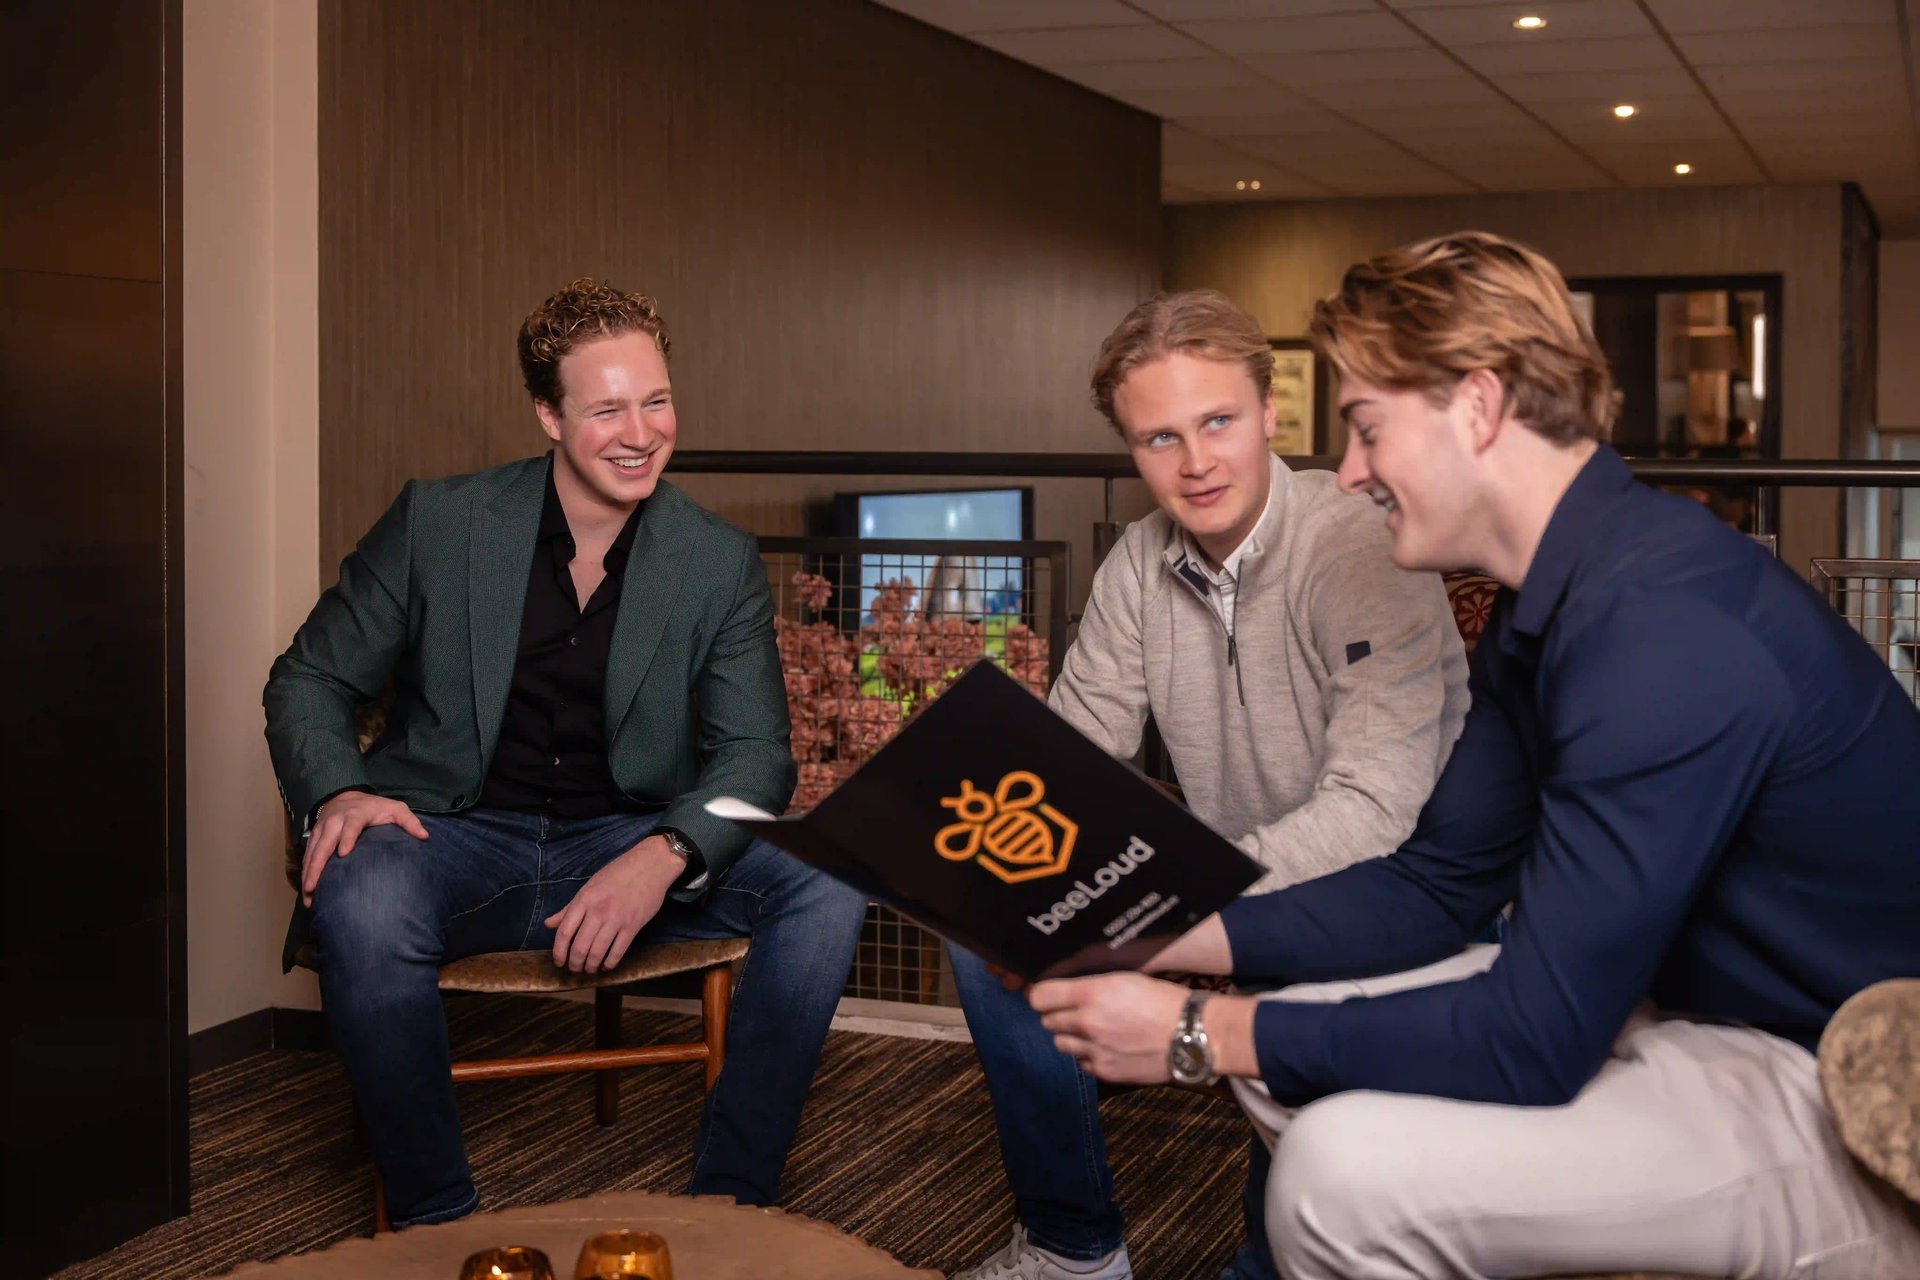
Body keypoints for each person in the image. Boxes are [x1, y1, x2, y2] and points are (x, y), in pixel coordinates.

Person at [1027, 232, 1920, 1280]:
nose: (1349, 470)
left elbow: (1538, 1032)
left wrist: (1194, 1031)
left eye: (1366, 428)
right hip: (1709, 1016)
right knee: (1294, 1042)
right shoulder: (1548, 606)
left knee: (1333, 1171)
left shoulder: (1662, 629)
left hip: (1862, 1085)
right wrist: (1160, 934)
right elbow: (1434, 884)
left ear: (1480, 406)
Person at [263, 278, 868, 1228]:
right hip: (453, 837)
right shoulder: (440, 522)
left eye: (657, 400)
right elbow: (308, 679)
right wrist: (336, 790)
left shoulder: (715, 560)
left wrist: (664, 854)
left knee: (829, 878)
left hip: (624, 838)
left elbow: (756, 757)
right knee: (361, 890)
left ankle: (732, 1204)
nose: (641, 433)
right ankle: (436, 1225)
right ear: (548, 414)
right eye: (607, 408)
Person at [951, 290, 1471, 1280]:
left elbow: (1379, 813)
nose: (1195, 462)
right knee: (985, 926)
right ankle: (1073, 1245)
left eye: (1218, 421)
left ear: (1271, 410)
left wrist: (1163, 903)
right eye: (1159, 437)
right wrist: (986, 849)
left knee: (1275, 1256)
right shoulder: (1139, 566)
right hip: (1220, 895)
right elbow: (1071, 762)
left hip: (1388, 905)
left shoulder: (1360, 546)